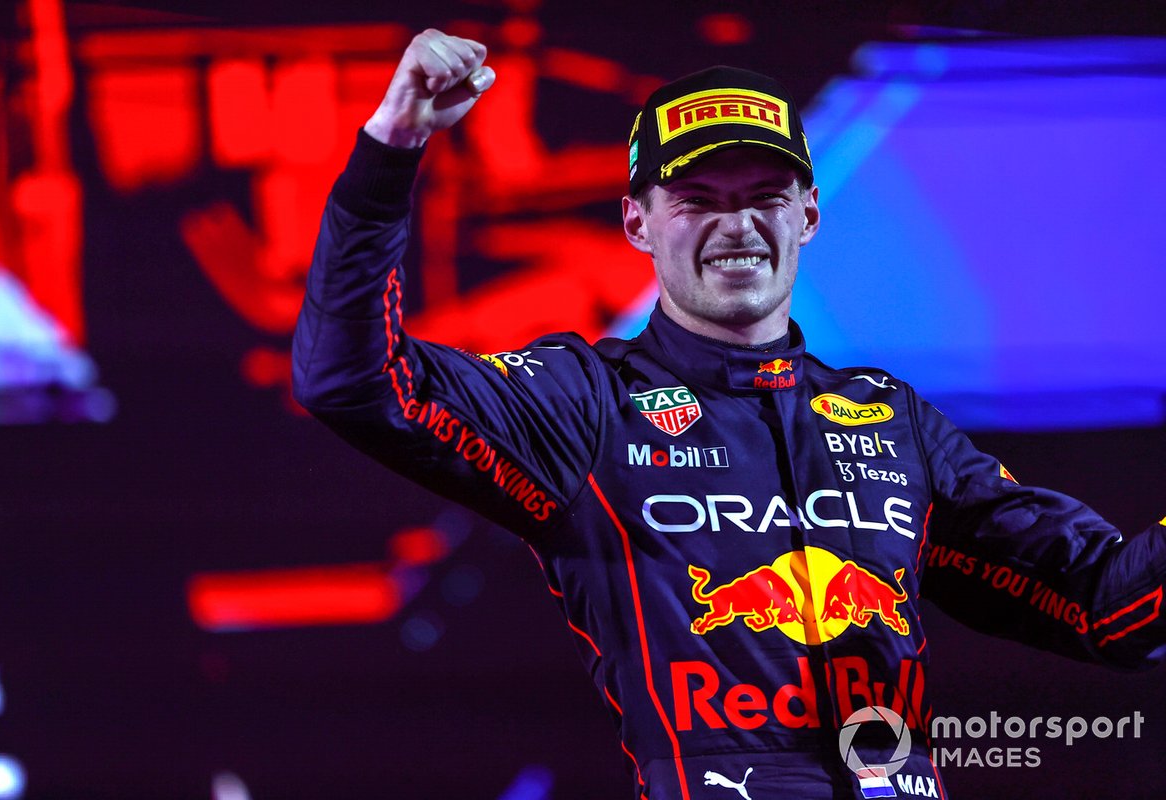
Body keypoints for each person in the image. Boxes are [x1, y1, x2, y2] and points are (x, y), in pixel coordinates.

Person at [292, 29, 1165, 799]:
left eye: (763, 196)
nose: (736, 225)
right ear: (638, 223)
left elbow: (1106, 607)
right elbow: (353, 380)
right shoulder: (583, 400)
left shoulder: (892, 420)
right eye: (698, 200)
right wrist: (390, 150)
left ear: (809, 216)